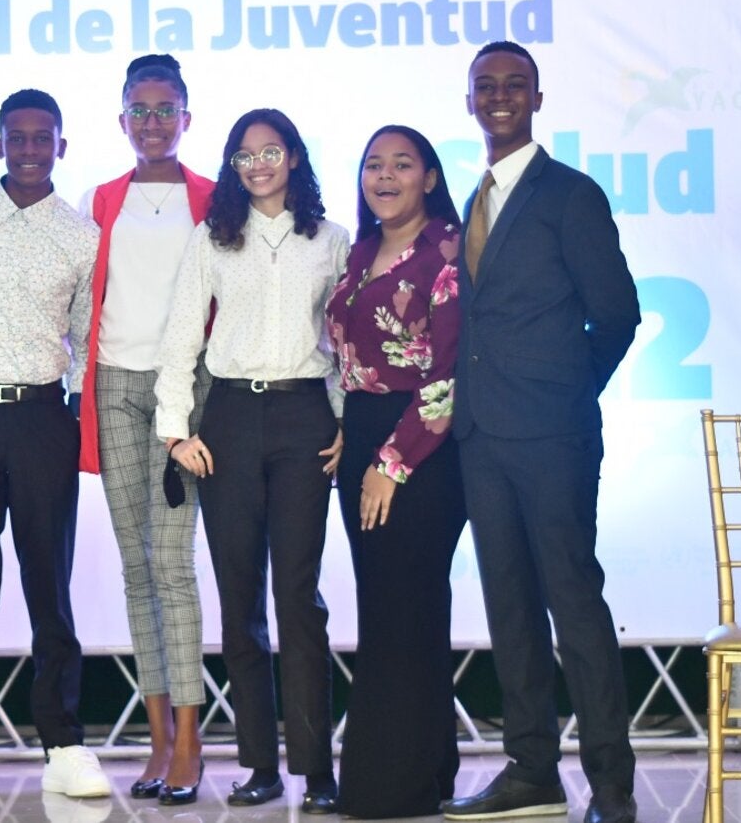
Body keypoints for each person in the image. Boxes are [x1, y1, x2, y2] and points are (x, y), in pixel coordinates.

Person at [442, 42, 641, 823]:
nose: (499, 97)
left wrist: (563, 392)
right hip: (483, 436)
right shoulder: (477, 196)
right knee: (510, 607)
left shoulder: (570, 194)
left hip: (552, 435)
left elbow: (617, 314)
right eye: (485, 87)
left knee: (574, 605)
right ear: (469, 101)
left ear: (537, 97)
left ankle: (612, 790)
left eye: (513, 85)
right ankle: (532, 769)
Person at [156, 108, 350, 814]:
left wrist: (346, 422)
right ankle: (261, 766)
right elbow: (180, 334)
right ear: (233, 166)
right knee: (241, 604)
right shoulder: (213, 238)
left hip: (304, 418)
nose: (259, 164)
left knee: (298, 599)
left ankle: (316, 769)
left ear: (295, 158)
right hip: (229, 419)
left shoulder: (331, 239)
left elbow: (349, 341)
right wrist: (176, 431)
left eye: (272, 151)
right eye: (245, 154)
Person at [0, 89, 110, 802]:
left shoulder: (82, 234)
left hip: (41, 419)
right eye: (18, 137)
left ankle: (61, 741)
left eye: (44, 138)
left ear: (61, 146)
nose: (30, 149)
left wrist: (65, 405)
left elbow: (84, 332)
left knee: (48, 582)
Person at [75, 54, 214, 806]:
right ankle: (158, 738)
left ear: (186, 117)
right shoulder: (101, 200)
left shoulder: (213, 199)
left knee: (172, 567)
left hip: (180, 397)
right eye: (139, 108)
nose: (152, 122)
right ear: (121, 116)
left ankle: (192, 741)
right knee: (136, 569)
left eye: (165, 109)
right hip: (113, 387)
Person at [325, 125, 467, 817]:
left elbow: (448, 378)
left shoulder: (448, 251)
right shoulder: (359, 253)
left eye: (401, 164)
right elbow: (352, 361)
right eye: (373, 164)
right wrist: (346, 432)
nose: (384, 176)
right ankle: (431, 768)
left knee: (401, 612)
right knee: (393, 608)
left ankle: (389, 787)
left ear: (430, 178)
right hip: (363, 441)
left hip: (421, 451)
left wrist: (391, 463)